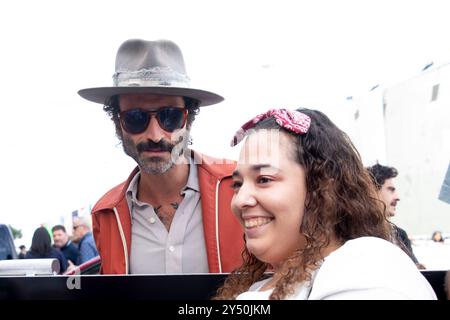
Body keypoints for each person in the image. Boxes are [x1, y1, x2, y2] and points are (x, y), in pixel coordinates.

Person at [214, 108, 436, 300]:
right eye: (238, 184)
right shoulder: (263, 285)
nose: (241, 200)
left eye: (264, 180)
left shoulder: (366, 264)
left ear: (323, 186)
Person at [78, 39, 243, 274]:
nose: (155, 135)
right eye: (136, 118)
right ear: (118, 123)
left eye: (170, 117)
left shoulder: (241, 187)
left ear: (189, 119)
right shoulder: (106, 214)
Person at [366, 164, 422, 266]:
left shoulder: (400, 235)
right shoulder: (355, 234)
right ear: (371, 191)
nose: (397, 197)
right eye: (391, 189)